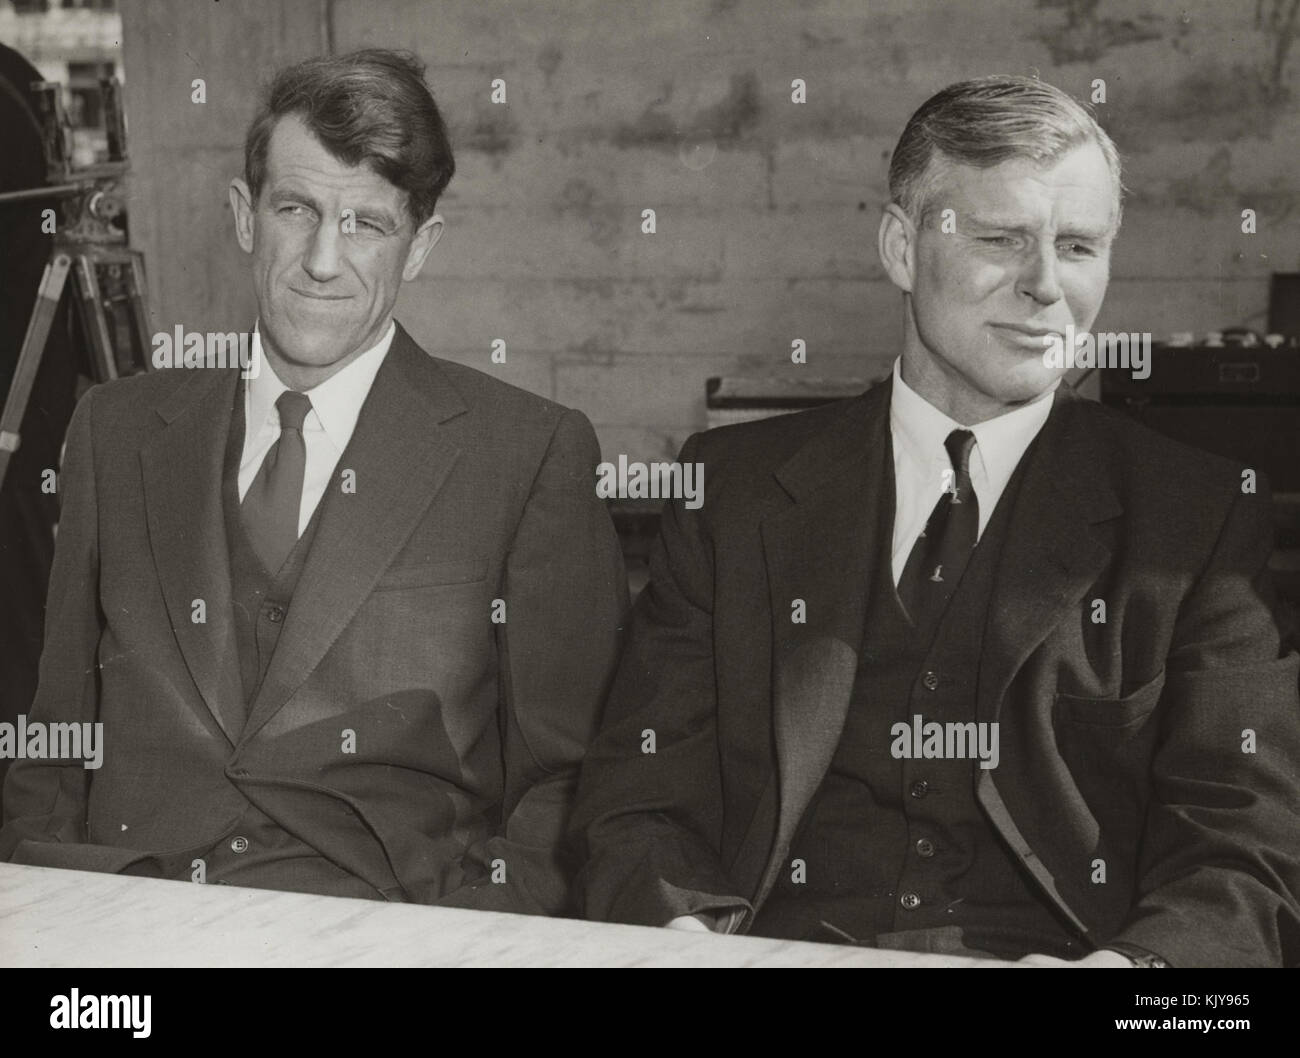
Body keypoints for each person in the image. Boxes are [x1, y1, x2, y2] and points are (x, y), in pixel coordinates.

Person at [570, 75, 1300, 965]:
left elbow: (1248, 846)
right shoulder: (735, 491)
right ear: (902, 247)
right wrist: (689, 942)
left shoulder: (1197, 516)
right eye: (1001, 240)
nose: (1044, 286)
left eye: (1077, 245)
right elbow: (637, 797)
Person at [1, 49, 627, 915]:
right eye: (296, 209)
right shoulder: (115, 431)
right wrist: (57, 918)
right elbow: (53, 736)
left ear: (420, 247)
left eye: (367, 224)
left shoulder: (526, 454)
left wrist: (470, 941)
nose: (322, 261)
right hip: (128, 931)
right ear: (244, 215)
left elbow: (568, 779)